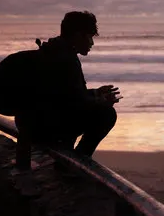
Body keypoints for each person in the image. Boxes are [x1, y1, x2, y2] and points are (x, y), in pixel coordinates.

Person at [14, 11, 121, 159]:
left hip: (29, 123)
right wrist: (102, 102)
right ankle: (78, 161)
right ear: (78, 35)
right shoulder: (67, 59)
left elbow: (66, 94)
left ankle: (69, 159)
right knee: (107, 114)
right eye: (89, 36)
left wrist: (95, 93)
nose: (92, 43)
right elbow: (73, 103)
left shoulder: (52, 49)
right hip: (44, 128)